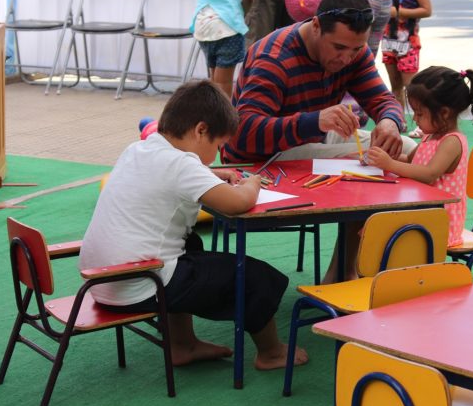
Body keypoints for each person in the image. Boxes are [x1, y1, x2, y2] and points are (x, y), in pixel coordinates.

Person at [79, 80, 308, 370]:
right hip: (139, 285)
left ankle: (182, 344)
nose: (217, 154)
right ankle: (272, 353)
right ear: (201, 130)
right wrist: (252, 184)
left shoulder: (139, 149)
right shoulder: (181, 165)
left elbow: (180, 173)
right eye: (218, 145)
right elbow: (237, 204)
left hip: (102, 281)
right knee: (256, 277)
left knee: (191, 244)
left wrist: (213, 174)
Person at [222, 0, 417, 283]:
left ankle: (375, 265)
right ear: (315, 25)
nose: (347, 57)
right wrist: (315, 122)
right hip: (260, 160)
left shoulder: (353, 51)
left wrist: (390, 121)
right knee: (373, 165)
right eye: (339, 47)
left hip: (311, 139)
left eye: (355, 49)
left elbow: (382, 100)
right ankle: (342, 275)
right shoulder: (273, 58)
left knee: (407, 147)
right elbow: (243, 136)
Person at [366, 66, 473, 247]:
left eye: (419, 113)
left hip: (440, 221)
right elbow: (410, 161)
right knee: (375, 227)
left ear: (444, 113)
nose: (415, 120)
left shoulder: (452, 142)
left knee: (384, 233)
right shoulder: (430, 136)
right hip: (422, 212)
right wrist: (381, 158)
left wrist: (390, 164)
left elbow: (429, 174)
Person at [190, 0, 254, 97]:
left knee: (214, 79)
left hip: (203, 25)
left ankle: (212, 115)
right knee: (223, 82)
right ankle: (222, 119)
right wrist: (241, 12)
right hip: (227, 26)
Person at [382, 0, 432, 133]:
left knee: (412, 87)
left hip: (408, 45)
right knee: (395, 86)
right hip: (388, 42)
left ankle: (424, 123)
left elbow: (427, 10)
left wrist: (398, 12)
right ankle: (398, 120)